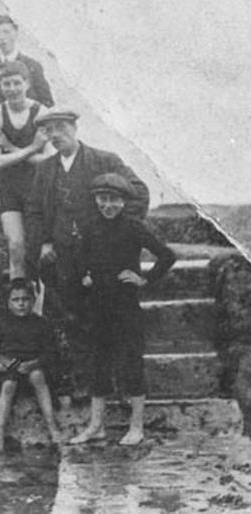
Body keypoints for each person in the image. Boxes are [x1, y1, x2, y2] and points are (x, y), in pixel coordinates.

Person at [25, 107, 150, 395]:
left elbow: (139, 193)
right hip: (64, 260)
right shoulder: (45, 169)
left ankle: (123, 386)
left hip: (101, 264)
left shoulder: (104, 160)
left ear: (74, 127)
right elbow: (33, 210)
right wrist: (43, 242)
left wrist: (114, 233)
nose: (55, 135)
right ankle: (86, 387)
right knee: (74, 321)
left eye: (61, 128)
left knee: (111, 324)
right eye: (49, 131)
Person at [69, 173, 175, 446]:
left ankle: (136, 426)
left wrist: (144, 279)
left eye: (114, 200)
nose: (108, 205)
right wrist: (84, 276)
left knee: (131, 363)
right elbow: (79, 256)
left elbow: (167, 255)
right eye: (102, 199)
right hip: (98, 306)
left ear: (124, 201)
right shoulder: (90, 227)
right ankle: (96, 426)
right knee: (98, 364)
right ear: (95, 200)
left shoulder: (134, 227)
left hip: (126, 307)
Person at [0, 61, 54, 280]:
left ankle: (40, 305)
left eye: (17, 83)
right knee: (15, 246)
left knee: (39, 249)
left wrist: (13, 149)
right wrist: (33, 148)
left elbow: (50, 159)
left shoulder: (40, 112)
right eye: (7, 84)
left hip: (37, 190)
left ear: (27, 84)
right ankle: (18, 303)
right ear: (0, 86)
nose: (12, 89)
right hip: (10, 189)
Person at [0, 278, 61, 453]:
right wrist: (3, 362)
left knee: (37, 376)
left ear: (33, 301)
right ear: (8, 302)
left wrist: (33, 364)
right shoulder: (2, 323)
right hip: (11, 368)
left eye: (25, 299)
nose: (21, 304)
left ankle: (52, 428)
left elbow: (52, 353)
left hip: (34, 367)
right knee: (8, 385)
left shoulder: (42, 324)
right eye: (15, 300)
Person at [0, 15, 54, 107]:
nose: (1, 37)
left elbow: (47, 103)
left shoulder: (32, 66)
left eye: (6, 32)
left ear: (15, 33)